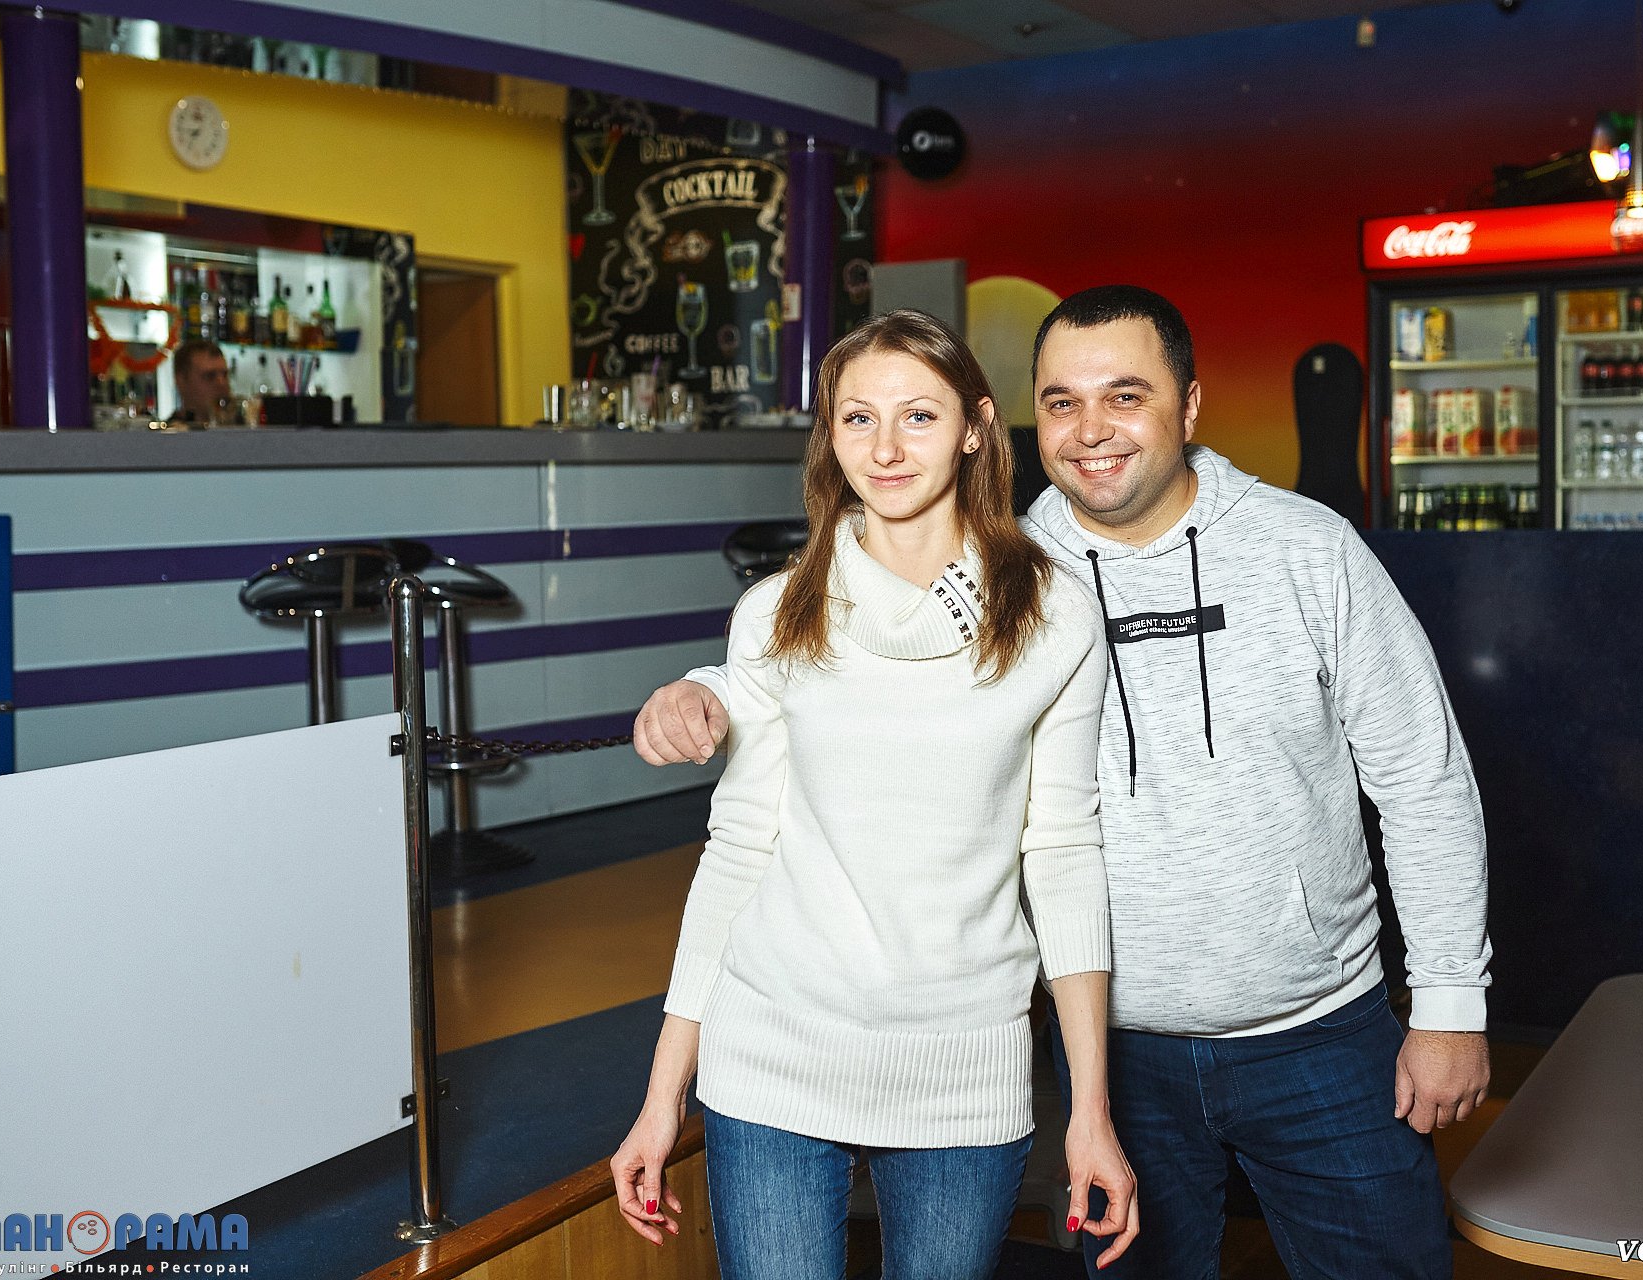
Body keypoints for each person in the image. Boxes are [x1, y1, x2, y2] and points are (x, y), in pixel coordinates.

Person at [633, 286, 1492, 1280]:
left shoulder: (1307, 551)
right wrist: (711, 688)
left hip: (1316, 1031)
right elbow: (843, 649)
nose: (1091, 431)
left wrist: (1450, 1001)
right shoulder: (1013, 569)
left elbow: (1423, 778)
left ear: (1189, 405)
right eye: (1062, 402)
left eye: (1125, 396)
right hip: (1115, 1047)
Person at [608, 309, 1139, 1280]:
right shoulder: (776, 614)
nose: (886, 449)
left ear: (976, 425)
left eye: (918, 416)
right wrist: (661, 1095)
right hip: (771, 1055)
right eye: (858, 418)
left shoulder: (1054, 615)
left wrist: (1091, 1110)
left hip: (964, 1069)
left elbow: (1065, 854)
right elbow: (737, 854)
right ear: (831, 435)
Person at [168, 340, 234, 425]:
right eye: (210, 376)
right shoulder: (167, 432)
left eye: (225, 375)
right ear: (181, 380)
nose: (222, 384)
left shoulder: (241, 429)